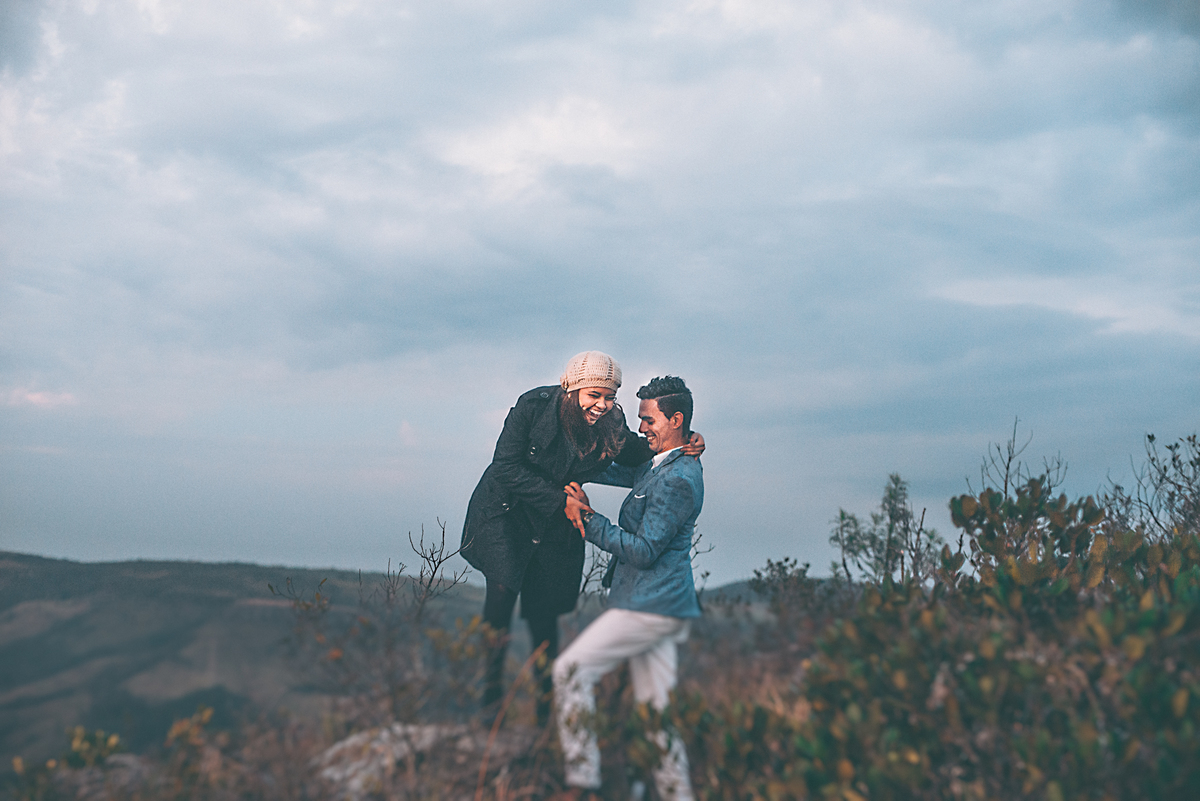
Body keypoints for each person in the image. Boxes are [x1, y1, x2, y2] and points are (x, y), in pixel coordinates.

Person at [460, 353, 703, 725]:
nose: (602, 405)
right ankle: (489, 709)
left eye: (610, 396)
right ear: (572, 388)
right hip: (509, 515)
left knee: (544, 616)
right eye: (594, 395)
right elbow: (505, 467)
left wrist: (684, 442)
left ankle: (545, 718)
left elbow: (643, 453)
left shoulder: (612, 424)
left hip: (559, 524)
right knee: (499, 607)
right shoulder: (533, 407)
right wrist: (563, 501)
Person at [553, 375, 702, 800]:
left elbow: (643, 551)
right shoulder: (660, 464)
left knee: (570, 672)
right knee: (658, 718)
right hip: (661, 605)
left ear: (675, 420)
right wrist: (570, 457)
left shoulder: (676, 479)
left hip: (649, 605)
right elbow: (612, 466)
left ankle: (581, 783)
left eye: (648, 419)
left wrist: (586, 519)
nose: (641, 428)